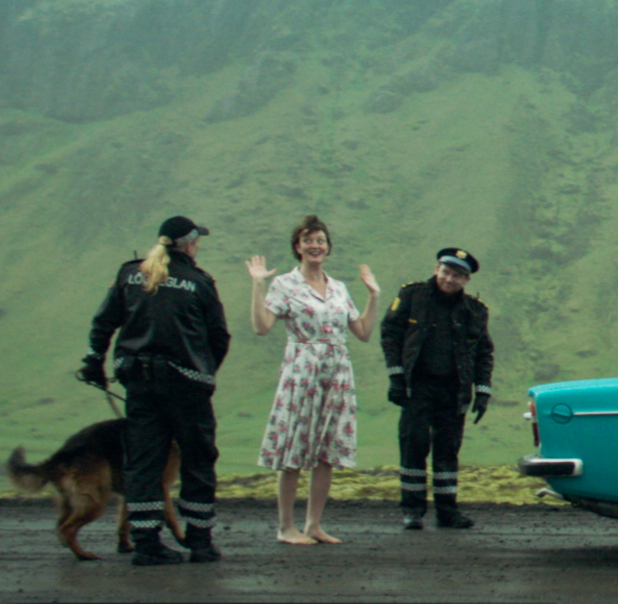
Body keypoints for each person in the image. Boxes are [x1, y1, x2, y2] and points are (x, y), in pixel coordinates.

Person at [80, 215, 230, 566]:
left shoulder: (129, 274)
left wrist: (94, 363)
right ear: (189, 244)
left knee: (143, 464)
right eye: (197, 242)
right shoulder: (200, 282)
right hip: (188, 388)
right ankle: (200, 542)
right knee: (198, 460)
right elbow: (218, 337)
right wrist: (205, 371)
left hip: (141, 384)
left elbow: (104, 323)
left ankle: (146, 543)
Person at [246, 215, 380, 545]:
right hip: (302, 372)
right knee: (294, 446)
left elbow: (362, 332)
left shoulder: (338, 288)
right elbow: (262, 326)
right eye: (308, 240)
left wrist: (374, 295)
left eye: (320, 240)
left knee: (327, 451)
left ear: (328, 247)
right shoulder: (285, 285)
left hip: (337, 372)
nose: (315, 245)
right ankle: (285, 527)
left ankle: (314, 524)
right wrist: (258, 284)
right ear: (298, 247)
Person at [380, 248, 494, 529]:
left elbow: (483, 352)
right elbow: (390, 335)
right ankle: (412, 511)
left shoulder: (475, 311)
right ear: (436, 269)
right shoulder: (411, 296)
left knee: (447, 450)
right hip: (416, 387)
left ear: (466, 280)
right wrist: (396, 377)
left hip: (454, 391)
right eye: (445, 272)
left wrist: (482, 391)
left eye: (457, 275)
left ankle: (447, 511)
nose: (449, 279)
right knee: (413, 445)